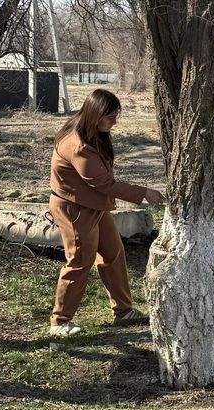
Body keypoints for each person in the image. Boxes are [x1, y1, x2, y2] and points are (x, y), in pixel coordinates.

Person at [48, 88, 165, 337]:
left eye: (115, 116)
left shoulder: (92, 133)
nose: (114, 122)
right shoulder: (77, 145)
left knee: (113, 253)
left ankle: (123, 312)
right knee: (80, 261)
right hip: (75, 210)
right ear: (94, 114)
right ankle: (60, 321)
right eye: (109, 116)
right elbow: (104, 184)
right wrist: (144, 192)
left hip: (94, 207)